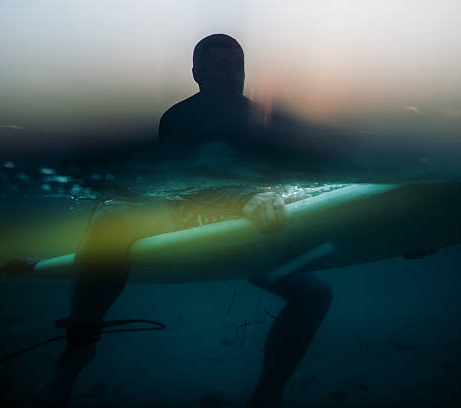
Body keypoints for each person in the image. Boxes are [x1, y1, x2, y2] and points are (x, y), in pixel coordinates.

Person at [37, 34, 332, 408]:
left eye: (238, 65)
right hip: (187, 217)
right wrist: (246, 197)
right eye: (222, 66)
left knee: (316, 294)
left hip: (251, 226)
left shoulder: (264, 120)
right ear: (198, 73)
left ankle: (267, 395)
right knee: (110, 216)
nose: (233, 74)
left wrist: (405, 231)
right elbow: (190, 190)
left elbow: (291, 183)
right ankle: (77, 351)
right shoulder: (179, 119)